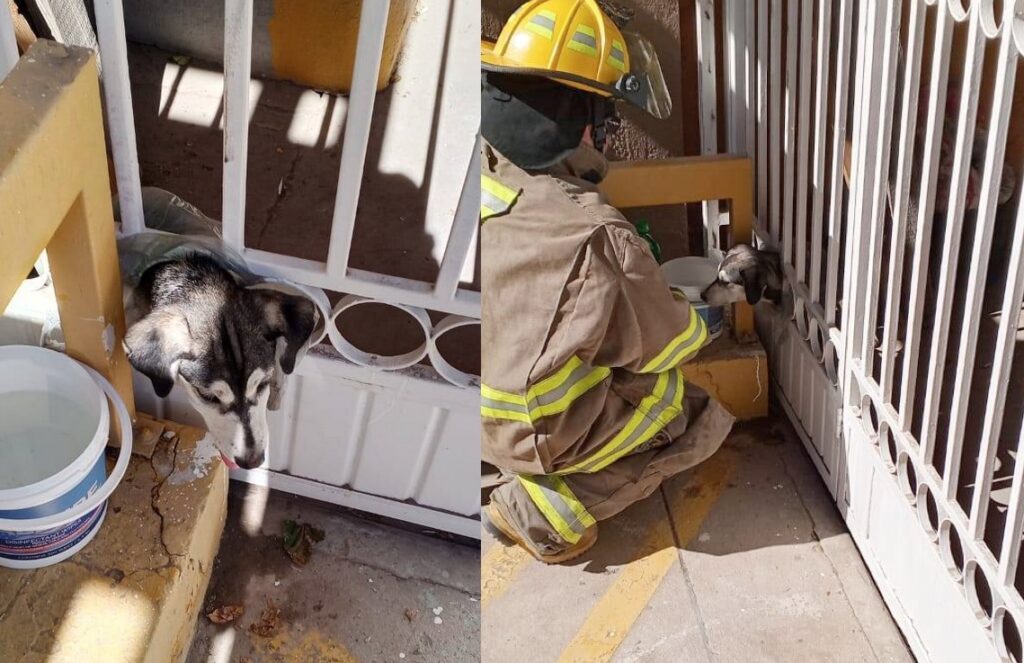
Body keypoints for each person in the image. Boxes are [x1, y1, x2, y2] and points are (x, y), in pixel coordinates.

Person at [480, 0, 737, 563]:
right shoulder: (595, 234)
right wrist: (714, 308)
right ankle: (539, 513)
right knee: (684, 409)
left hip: (471, 402)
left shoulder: (480, 168)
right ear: (583, 123)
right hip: (533, 429)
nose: (609, 136)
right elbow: (669, 342)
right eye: (607, 120)